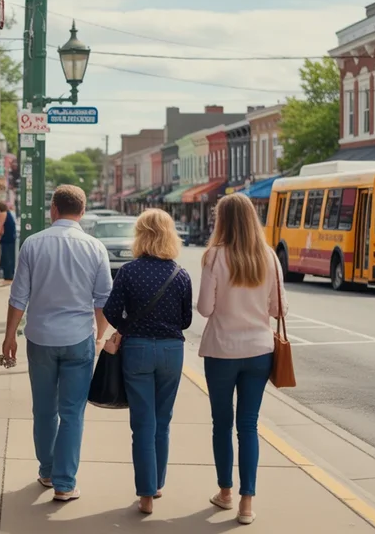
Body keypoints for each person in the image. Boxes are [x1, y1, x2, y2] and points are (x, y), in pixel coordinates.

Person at [1, 184, 112, 502]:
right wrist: (99, 335)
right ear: (83, 211)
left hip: (40, 337)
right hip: (79, 338)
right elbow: (103, 300)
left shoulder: (33, 245)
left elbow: (18, 295)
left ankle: (47, 470)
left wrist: (10, 335)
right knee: (73, 412)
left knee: (44, 409)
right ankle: (65, 482)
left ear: (53, 209)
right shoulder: (95, 247)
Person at [197, 193, 287, 525]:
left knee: (222, 423)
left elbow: (205, 309)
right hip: (259, 351)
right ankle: (247, 503)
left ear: (222, 220)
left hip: (221, 350)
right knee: (248, 425)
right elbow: (279, 309)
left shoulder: (214, 257)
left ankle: (225, 492)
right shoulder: (269, 257)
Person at [102, 208, 192, 515]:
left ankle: (146, 495)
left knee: (142, 423)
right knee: (162, 422)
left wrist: (128, 328)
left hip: (137, 350)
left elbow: (111, 310)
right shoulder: (180, 274)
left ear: (140, 235)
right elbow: (186, 319)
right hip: (171, 352)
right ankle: (157, 483)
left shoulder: (128, 272)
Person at [0, 202, 17, 284]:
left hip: (6, 241)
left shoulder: (2, 215)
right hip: (11, 240)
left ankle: (7, 277)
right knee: (10, 258)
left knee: (5, 259)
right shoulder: (9, 214)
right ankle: (10, 276)